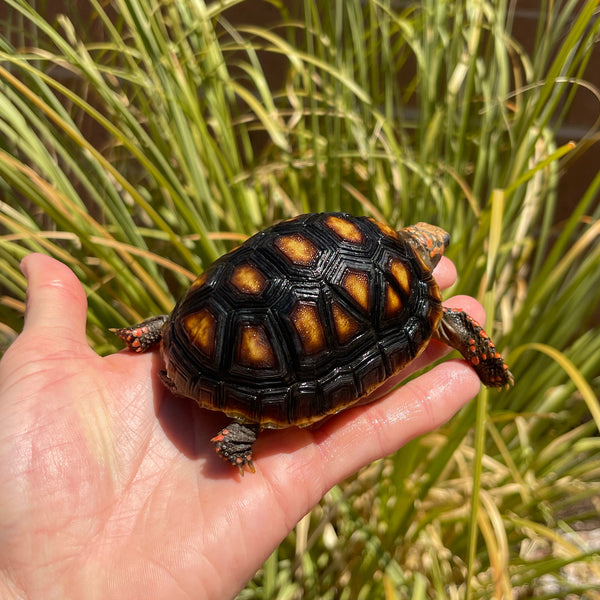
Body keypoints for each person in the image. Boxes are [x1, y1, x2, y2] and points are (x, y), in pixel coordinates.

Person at [0, 253, 483, 599]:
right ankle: (245, 422)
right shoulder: (421, 300)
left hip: (191, 326)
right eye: (433, 247)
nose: (437, 246)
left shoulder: (351, 232)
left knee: (242, 298)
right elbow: (444, 321)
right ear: (425, 251)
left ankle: (167, 333)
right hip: (262, 377)